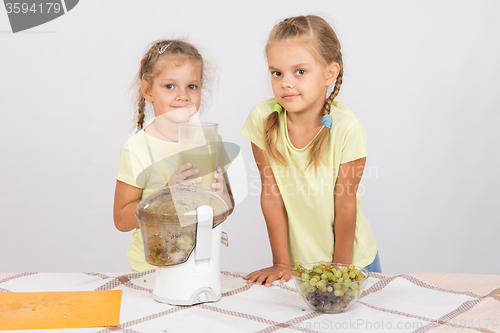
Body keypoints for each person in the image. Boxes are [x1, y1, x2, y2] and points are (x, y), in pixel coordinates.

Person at [240, 15, 380, 287]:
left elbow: (345, 203)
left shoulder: (348, 128)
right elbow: (271, 195)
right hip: (301, 267)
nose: (285, 83)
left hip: (352, 262)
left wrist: (340, 271)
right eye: (276, 73)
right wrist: (281, 263)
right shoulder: (262, 117)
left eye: (300, 71)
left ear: (330, 73)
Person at [114, 40, 234, 272]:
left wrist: (221, 199)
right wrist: (166, 194)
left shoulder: (211, 141)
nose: (183, 96)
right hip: (152, 269)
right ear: (148, 91)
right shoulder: (138, 149)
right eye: (170, 86)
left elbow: (227, 207)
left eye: (192, 86)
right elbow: (121, 220)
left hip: (201, 264)